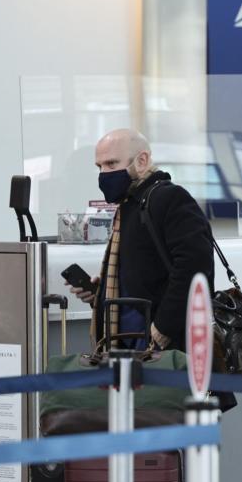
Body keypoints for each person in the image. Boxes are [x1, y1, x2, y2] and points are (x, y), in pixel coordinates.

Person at [67, 128, 214, 352]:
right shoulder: (128, 206)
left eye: (112, 164)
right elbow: (140, 273)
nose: (104, 173)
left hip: (169, 348)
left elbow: (194, 269)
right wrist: (101, 291)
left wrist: (161, 331)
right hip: (129, 345)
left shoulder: (168, 198)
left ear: (142, 160)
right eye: (100, 167)